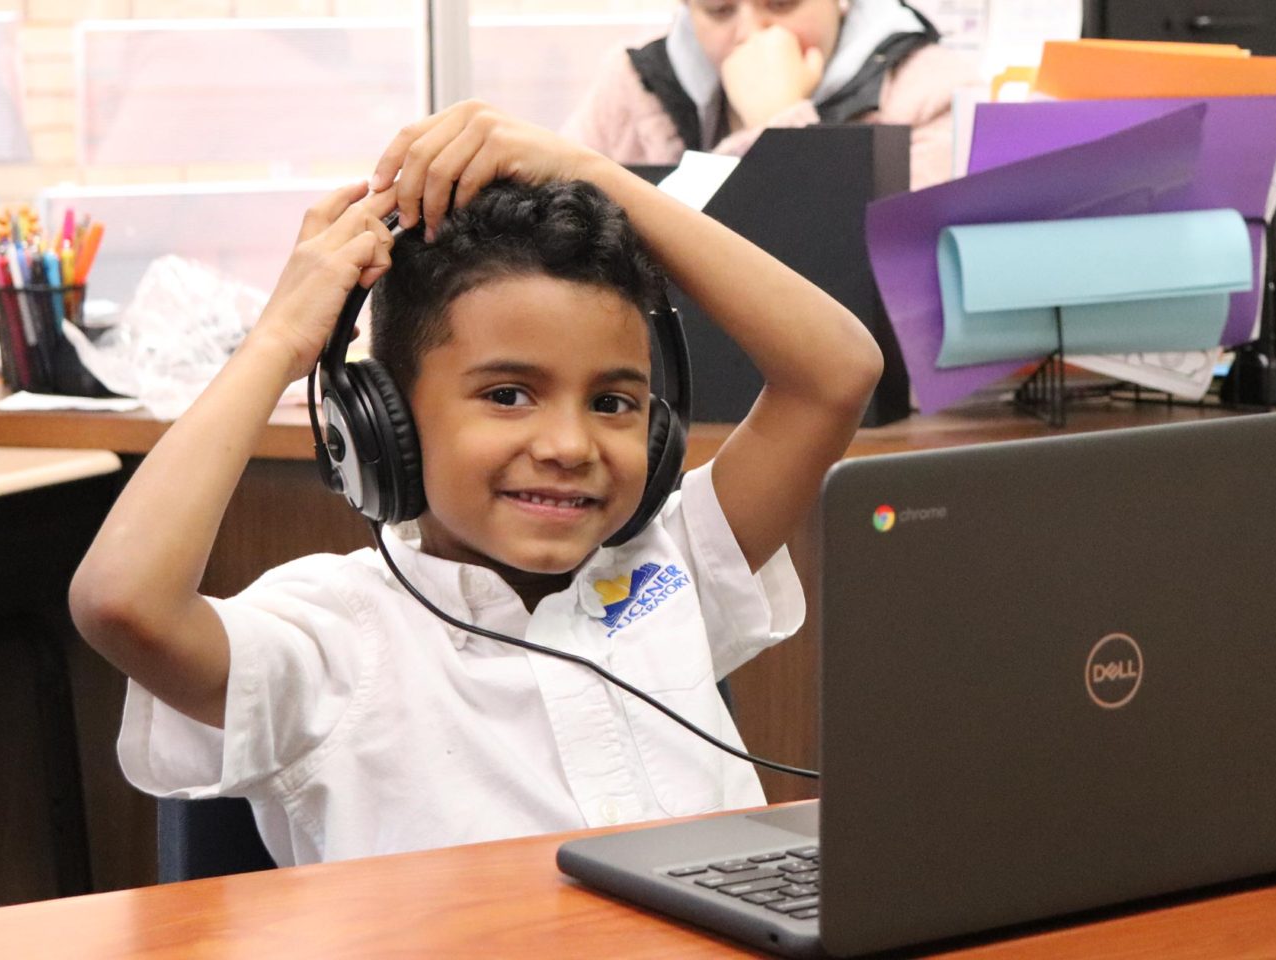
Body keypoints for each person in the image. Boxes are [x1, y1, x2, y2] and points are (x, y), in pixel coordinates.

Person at [69, 101, 883, 865]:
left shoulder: (676, 565)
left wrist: (587, 170)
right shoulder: (331, 640)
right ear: (383, 420)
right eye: (507, 395)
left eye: (612, 402)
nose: (568, 445)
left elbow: (836, 372)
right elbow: (122, 602)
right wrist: (282, 337)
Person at [561, 0, 978, 190]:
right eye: (720, 11)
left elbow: (848, 275)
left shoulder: (937, 93)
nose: (751, 33)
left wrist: (776, 123)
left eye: (781, 4)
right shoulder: (634, 80)